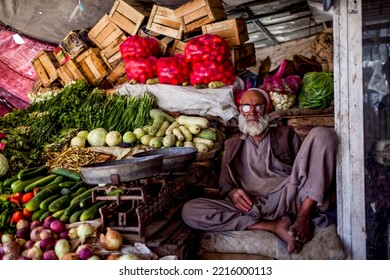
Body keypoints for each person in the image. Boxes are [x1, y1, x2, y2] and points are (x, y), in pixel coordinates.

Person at [182, 88, 338, 254]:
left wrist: (302, 211)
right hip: (255, 206)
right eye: (247, 107)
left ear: (267, 110)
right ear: (240, 110)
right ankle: (274, 226)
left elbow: (306, 168)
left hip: (289, 196)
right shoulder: (232, 145)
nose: (252, 112)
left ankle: (303, 217)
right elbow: (225, 186)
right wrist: (233, 192)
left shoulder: (285, 134)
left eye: (258, 106)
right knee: (190, 210)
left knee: (322, 134)